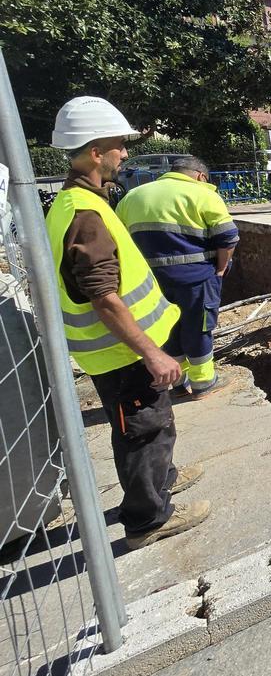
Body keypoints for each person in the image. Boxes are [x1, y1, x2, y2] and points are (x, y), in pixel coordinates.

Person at [46, 97, 210, 549]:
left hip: (122, 351)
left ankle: (164, 480)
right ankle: (147, 520)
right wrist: (152, 352)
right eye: (119, 146)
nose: (124, 154)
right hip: (122, 354)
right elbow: (103, 297)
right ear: (95, 151)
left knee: (156, 425)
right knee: (141, 433)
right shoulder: (86, 215)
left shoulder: (77, 203)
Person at [117, 156, 238, 397]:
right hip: (195, 277)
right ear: (201, 176)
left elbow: (119, 239)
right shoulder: (202, 194)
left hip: (150, 281)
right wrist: (222, 268)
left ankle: (178, 382)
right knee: (198, 327)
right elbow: (228, 237)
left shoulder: (132, 197)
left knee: (167, 327)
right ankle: (203, 381)